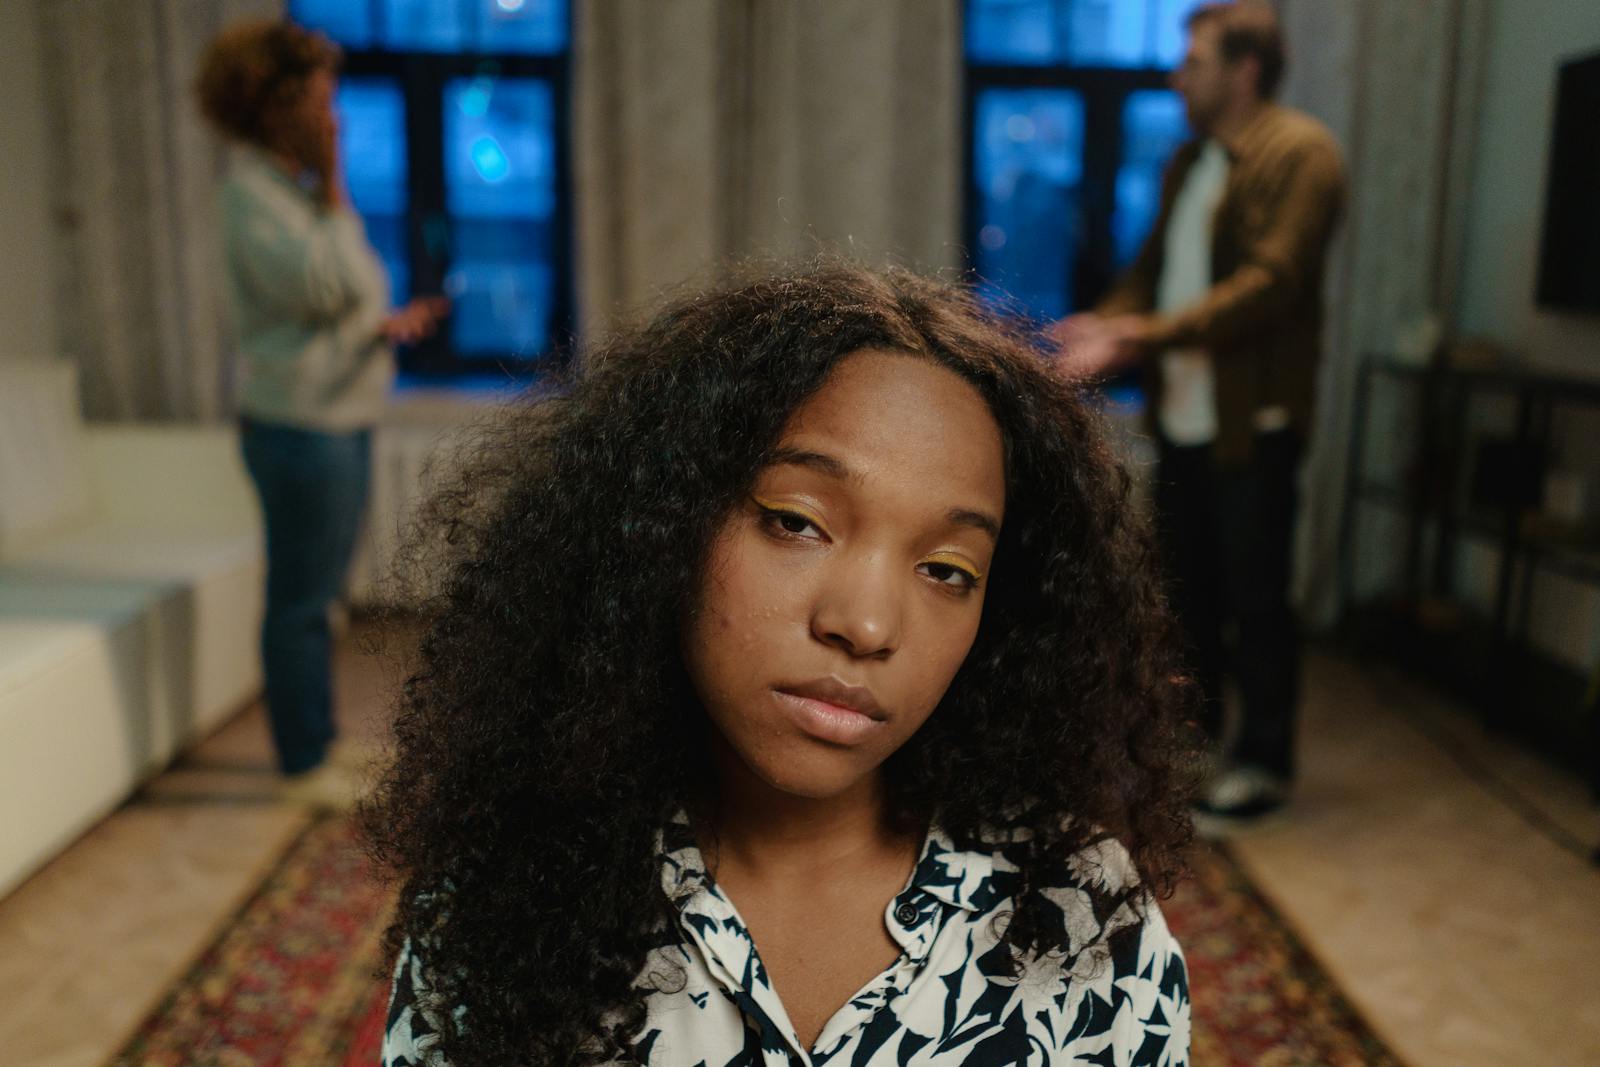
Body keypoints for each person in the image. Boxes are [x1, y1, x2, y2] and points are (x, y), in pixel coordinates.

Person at [368, 262, 1196, 1065]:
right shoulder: (496, 910)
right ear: (665, 525)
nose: (866, 624)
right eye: (799, 521)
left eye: (947, 570)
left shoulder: (1088, 918)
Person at [1050, 1, 1345, 825]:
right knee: (1186, 595)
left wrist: (1140, 334)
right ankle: (1197, 745)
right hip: (1182, 417)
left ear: (1245, 71)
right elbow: (1150, 272)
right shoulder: (1190, 161)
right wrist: (1106, 323)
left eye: (1195, 63)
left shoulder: (1303, 154)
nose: (1178, 77)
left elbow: (1271, 284)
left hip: (1255, 422)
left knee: (1257, 600)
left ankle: (1264, 763)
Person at [195, 20, 448, 809]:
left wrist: (382, 323)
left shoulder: (288, 195)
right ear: (275, 106)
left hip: (331, 417)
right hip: (300, 429)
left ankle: (317, 742)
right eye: (320, 98)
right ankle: (302, 762)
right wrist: (337, 181)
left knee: (319, 596)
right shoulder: (252, 196)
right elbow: (331, 286)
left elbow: (340, 300)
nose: (334, 117)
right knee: (302, 601)